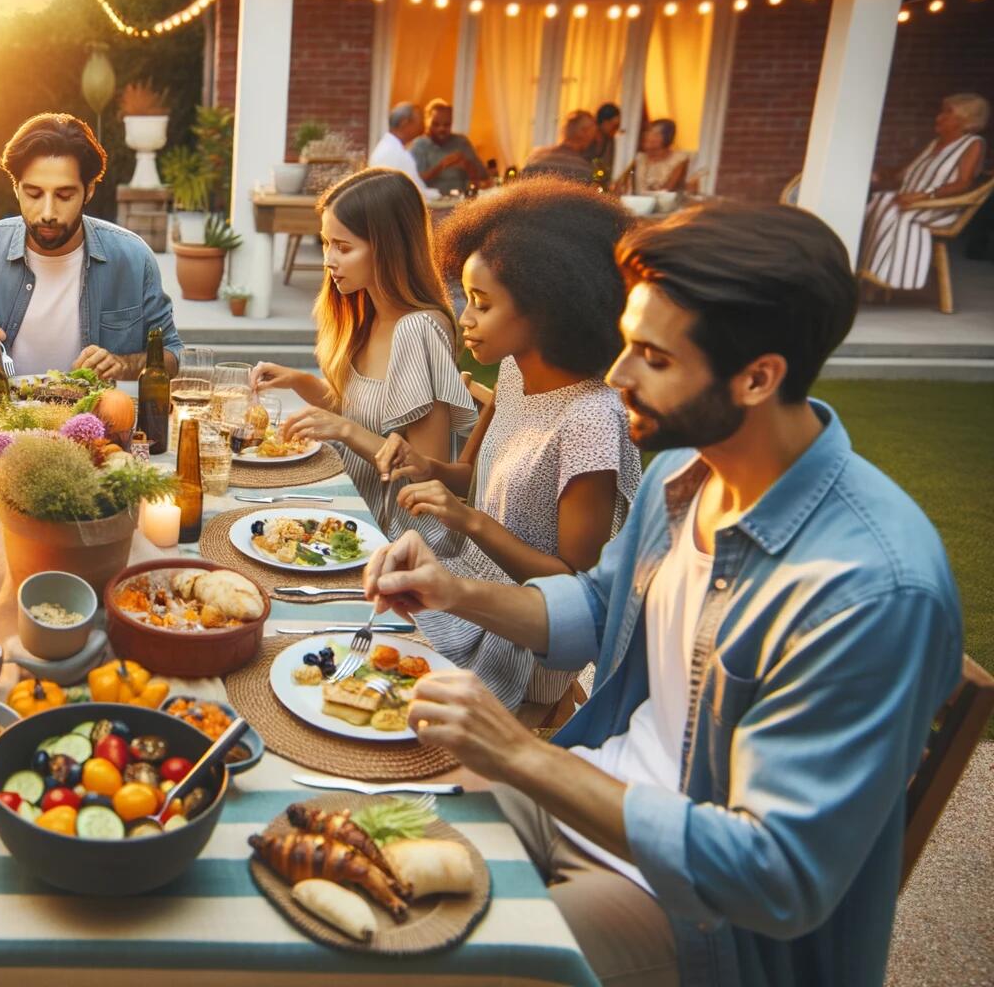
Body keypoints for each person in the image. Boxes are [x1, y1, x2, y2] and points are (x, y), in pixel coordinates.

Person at [361, 202, 961, 987]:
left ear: (758, 377)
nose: (616, 375)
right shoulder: (687, 480)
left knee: (425, 959)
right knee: (366, 840)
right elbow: (602, 609)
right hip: (591, 793)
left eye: (652, 356)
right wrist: (451, 591)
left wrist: (517, 754)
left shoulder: (867, 591)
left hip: (702, 916)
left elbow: (775, 874)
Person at [387, 180, 641, 712]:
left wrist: (468, 520)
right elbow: (473, 478)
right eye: (467, 299)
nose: (465, 318)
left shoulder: (590, 417)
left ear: (547, 307)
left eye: (482, 303)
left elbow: (578, 586)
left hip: (526, 651)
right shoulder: (512, 373)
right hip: (466, 603)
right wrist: (426, 466)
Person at [253, 169, 478, 547]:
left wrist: (344, 431)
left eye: (343, 247)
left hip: (400, 538)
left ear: (389, 247)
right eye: (326, 243)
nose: (328, 260)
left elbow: (422, 467)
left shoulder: (419, 330)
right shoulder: (366, 314)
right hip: (350, 507)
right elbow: (358, 408)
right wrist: (297, 380)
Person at [0, 113, 182, 383]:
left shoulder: (132, 258)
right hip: (4, 424)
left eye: (64, 195)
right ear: (16, 188)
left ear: (88, 191)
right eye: (33, 194)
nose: (47, 212)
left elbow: (172, 356)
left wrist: (123, 365)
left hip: (99, 422)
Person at [861, 92, 989, 291]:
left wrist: (926, 195)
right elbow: (903, 175)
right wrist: (875, 175)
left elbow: (964, 183)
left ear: (966, 119)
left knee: (889, 207)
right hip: (910, 201)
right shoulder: (934, 143)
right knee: (876, 201)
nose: (939, 117)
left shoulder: (973, 144)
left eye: (948, 113)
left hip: (940, 207)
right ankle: (866, 269)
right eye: (941, 111)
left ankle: (886, 277)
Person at [410, 99, 492, 196]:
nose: (442, 129)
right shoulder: (419, 145)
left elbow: (484, 176)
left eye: (447, 125)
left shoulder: (461, 142)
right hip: (432, 202)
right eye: (436, 124)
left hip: (461, 200)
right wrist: (441, 166)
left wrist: (467, 165)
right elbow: (413, 181)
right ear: (427, 122)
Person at [369, 101, 429, 194]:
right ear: (404, 123)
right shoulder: (391, 152)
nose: (423, 125)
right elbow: (413, 190)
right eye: (420, 121)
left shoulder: (393, 148)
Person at [523, 110, 598, 180]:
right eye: (593, 133)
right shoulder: (583, 169)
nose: (593, 138)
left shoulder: (535, 156)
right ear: (584, 132)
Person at [622, 118, 690, 194]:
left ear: (667, 138)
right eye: (647, 132)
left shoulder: (679, 159)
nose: (646, 136)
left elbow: (666, 190)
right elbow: (621, 183)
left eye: (654, 134)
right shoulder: (640, 158)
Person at [587, 103, 621, 184]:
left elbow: (609, 167)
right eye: (614, 126)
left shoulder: (610, 141)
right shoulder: (587, 137)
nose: (615, 130)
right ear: (604, 122)